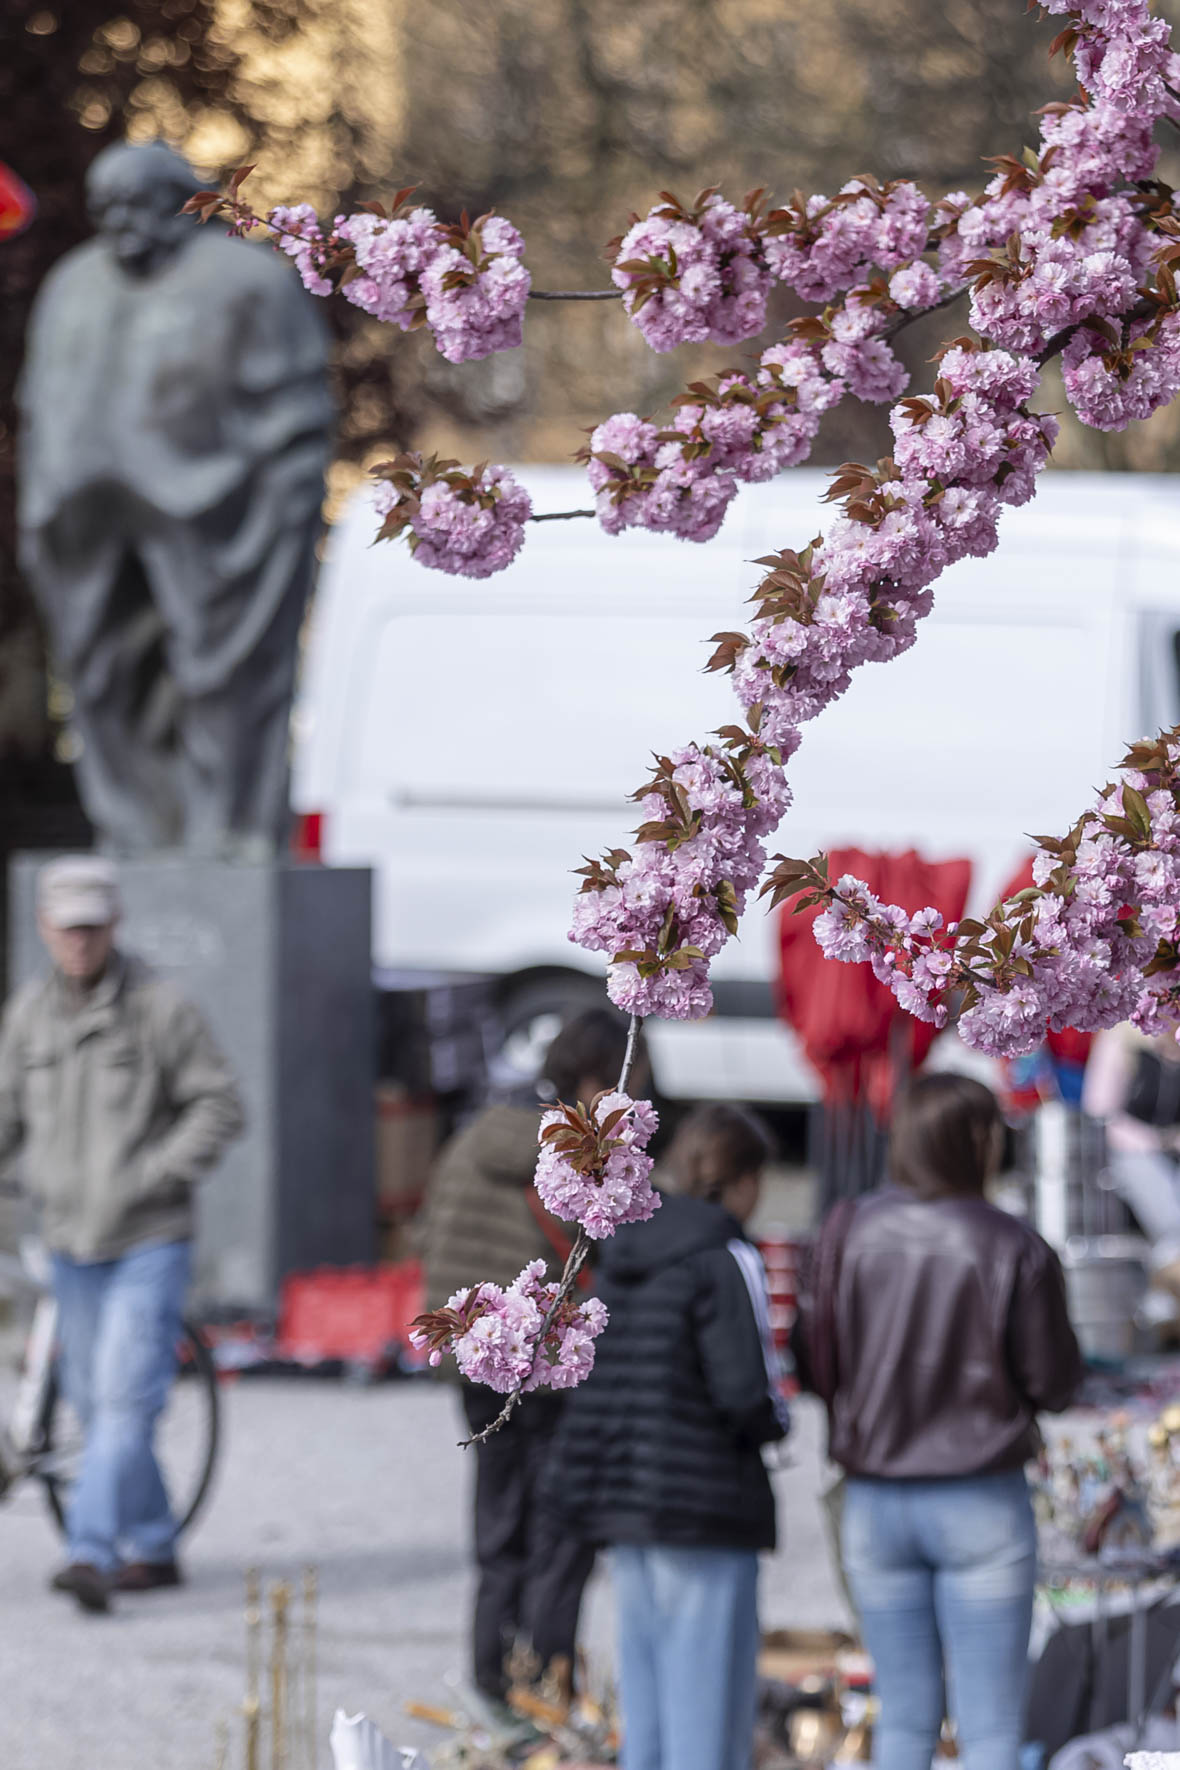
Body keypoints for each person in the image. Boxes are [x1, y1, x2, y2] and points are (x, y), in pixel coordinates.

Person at [17, 140, 332, 857]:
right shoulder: (73, 282)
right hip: (81, 522)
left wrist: (281, 516)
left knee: (222, 680)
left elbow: (297, 416)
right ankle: (133, 830)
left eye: (139, 204)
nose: (122, 222)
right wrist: (39, 508)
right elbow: (38, 407)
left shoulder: (248, 280)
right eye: (107, 208)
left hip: (220, 517)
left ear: (180, 201)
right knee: (99, 682)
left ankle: (231, 831)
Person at [795, 1072, 1083, 1770]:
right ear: (979, 1141)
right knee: (989, 1728)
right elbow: (1055, 1384)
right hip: (979, 1498)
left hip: (873, 1498)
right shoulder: (1014, 1244)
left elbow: (811, 1367)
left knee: (903, 1719)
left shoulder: (844, 1230)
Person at [0, 857, 244, 1612]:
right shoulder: (28, 1017)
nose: (78, 940)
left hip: (149, 1239)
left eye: (91, 926)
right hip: (70, 1244)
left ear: (114, 926)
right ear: (44, 927)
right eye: (66, 926)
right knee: (93, 1399)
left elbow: (220, 1105)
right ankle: (156, 1544)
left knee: (121, 1402)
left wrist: (157, 1173)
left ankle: (91, 1551)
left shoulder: (161, 1009)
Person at [541, 1102, 787, 1770]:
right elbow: (745, 1388)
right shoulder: (725, 1253)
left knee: (646, 1712)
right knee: (706, 1715)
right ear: (742, 1180)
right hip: (702, 1497)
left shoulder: (623, 1249)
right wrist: (776, 1424)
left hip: (626, 1496)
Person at [418, 1006, 634, 1713]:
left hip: (476, 1359)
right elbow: (597, 1241)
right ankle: (545, 1676)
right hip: (543, 1369)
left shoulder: (475, 1135)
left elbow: (431, 1239)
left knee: (498, 1515)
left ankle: (490, 1669)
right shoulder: (570, 1158)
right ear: (598, 1077)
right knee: (557, 1526)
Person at [1084, 1024, 1180, 1296]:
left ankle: (1162, 1304)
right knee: (1170, 1216)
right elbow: (1099, 1112)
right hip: (1129, 1150)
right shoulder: (1123, 1039)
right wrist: (1156, 1140)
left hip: (1173, 1149)